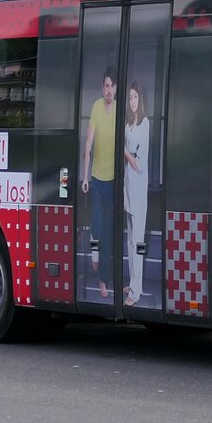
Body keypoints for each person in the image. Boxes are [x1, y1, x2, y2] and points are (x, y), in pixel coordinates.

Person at [81, 66, 117, 299]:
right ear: (102, 87)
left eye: (112, 86)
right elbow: (88, 145)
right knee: (95, 226)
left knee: (107, 232)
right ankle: (94, 257)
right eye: (106, 85)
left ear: (116, 88)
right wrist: (85, 177)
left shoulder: (120, 109)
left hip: (113, 181)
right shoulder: (95, 106)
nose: (109, 90)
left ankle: (103, 281)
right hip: (96, 177)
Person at [123, 80, 151, 307]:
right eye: (130, 97)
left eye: (135, 97)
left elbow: (139, 164)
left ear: (141, 100)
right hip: (127, 188)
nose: (132, 101)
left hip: (138, 189)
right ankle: (133, 282)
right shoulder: (128, 123)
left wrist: (124, 151)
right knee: (131, 239)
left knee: (138, 240)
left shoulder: (144, 124)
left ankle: (137, 289)